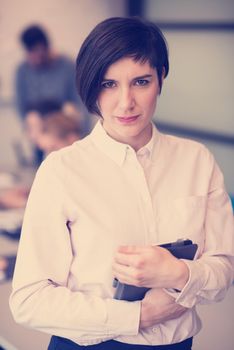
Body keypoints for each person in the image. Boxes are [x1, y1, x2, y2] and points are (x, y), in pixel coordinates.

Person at [9, 17, 234, 350]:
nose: (125, 102)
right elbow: (28, 300)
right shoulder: (60, 170)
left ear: (161, 78)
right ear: (90, 87)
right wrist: (136, 317)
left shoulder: (197, 161)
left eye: (141, 82)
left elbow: (223, 273)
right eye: (108, 84)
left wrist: (176, 273)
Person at [15, 24, 89, 134]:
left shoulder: (67, 66)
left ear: (47, 48)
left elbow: (80, 103)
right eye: (32, 54)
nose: (37, 60)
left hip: (65, 128)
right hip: (38, 129)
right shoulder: (22, 71)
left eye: (40, 54)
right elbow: (21, 107)